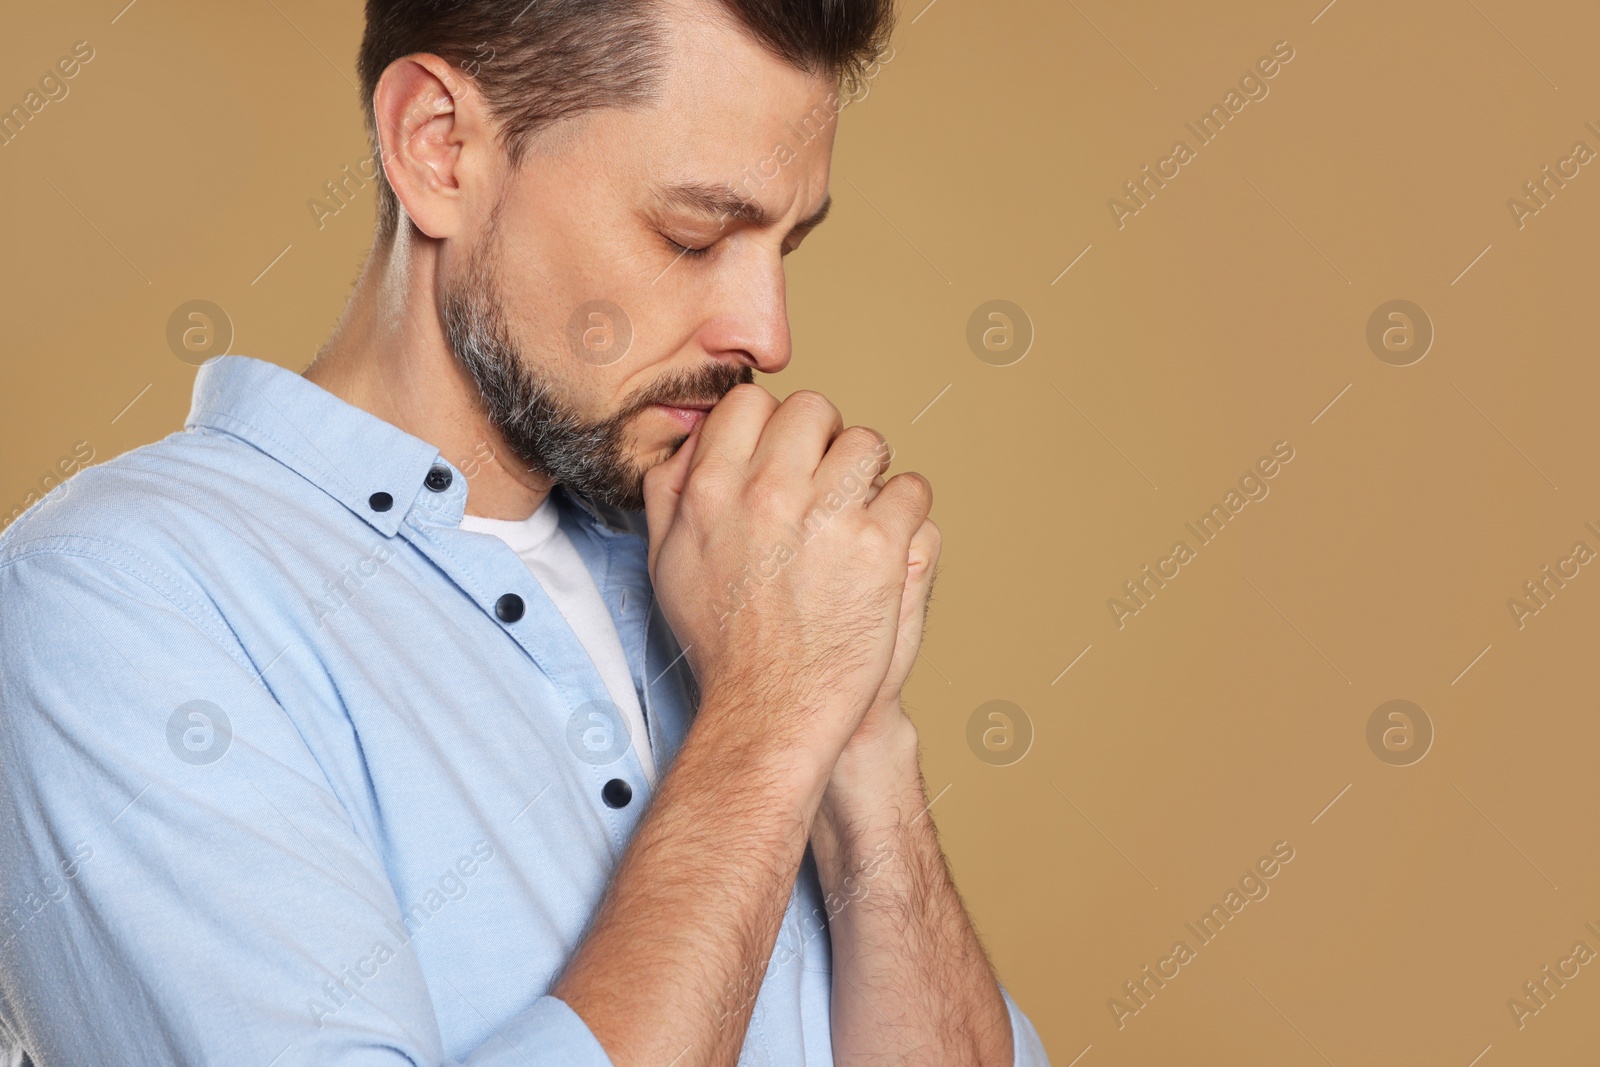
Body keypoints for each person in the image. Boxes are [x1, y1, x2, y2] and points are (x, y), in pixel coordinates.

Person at [0, 0, 1050, 1062]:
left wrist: (855, 730)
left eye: (787, 242)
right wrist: (771, 721)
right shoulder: (112, 592)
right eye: (691, 233)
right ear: (438, 148)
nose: (767, 333)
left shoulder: (739, 578)